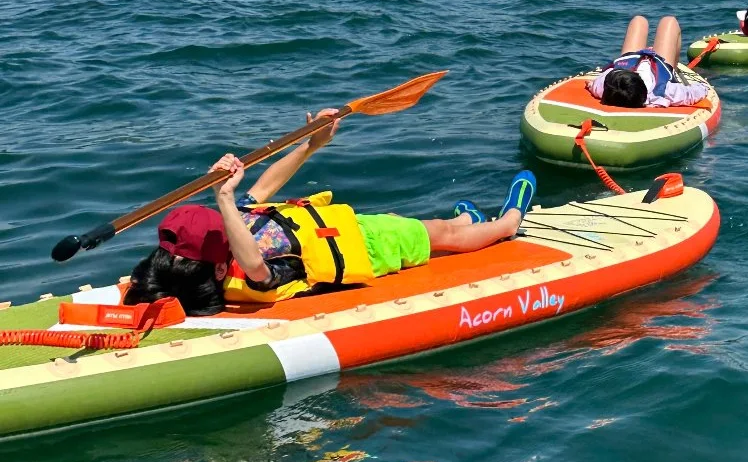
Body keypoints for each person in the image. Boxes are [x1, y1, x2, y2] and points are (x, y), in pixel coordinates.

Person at [126, 108, 537, 313]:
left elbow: (266, 188)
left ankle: (470, 218)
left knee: (410, 223)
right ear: (217, 268)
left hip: (346, 231)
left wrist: (312, 144)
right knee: (440, 236)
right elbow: (256, 267)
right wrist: (223, 198)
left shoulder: (221, 247)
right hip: (366, 247)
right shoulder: (251, 273)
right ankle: (507, 223)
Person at [588, 15, 712, 108]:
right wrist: (703, 86)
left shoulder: (605, 85)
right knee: (669, 21)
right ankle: (674, 71)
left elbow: (591, 84)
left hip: (629, 59)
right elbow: (692, 94)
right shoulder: (663, 92)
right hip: (659, 64)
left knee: (638, 20)